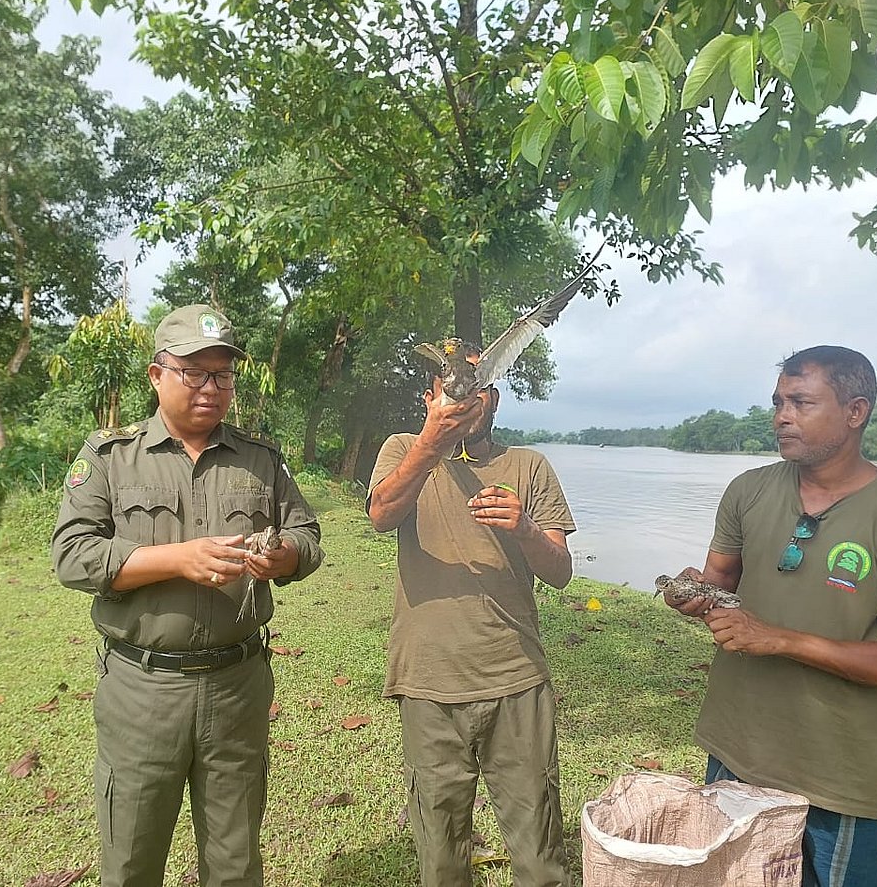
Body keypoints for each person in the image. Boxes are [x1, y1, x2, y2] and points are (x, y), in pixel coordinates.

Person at [664, 345, 877, 887]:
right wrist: (692, 593)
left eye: (801, 402)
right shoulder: (748, 490)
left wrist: (779, 639)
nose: (782, 415)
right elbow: (721, 583)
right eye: (778, 401)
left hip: (833, 772)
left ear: (856, 411)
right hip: (736, 746)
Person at [51, 304, 324, 887]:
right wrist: (178, 559)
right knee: (131, 856)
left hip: (237, 687)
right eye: (194, 373)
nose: (211, 388)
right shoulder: (109, 458)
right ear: (156, 375)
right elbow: (72, 556)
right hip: (143, 688)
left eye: (222, 376)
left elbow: (307, 536)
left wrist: (285, 558)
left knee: (234, 859)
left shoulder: (260, 461)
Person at [366, 360, 575, 887]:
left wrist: (524, 527)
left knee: (539, 850)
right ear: (429, 399)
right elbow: (381, 514)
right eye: (450, 392)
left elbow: (562, 573)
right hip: (428, 681)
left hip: (516, 679)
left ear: (494, 400)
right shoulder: (402, 449)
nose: (464, 402)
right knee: (440, 852)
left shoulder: (529, 466)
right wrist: (430, 444)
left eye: (475, 392)